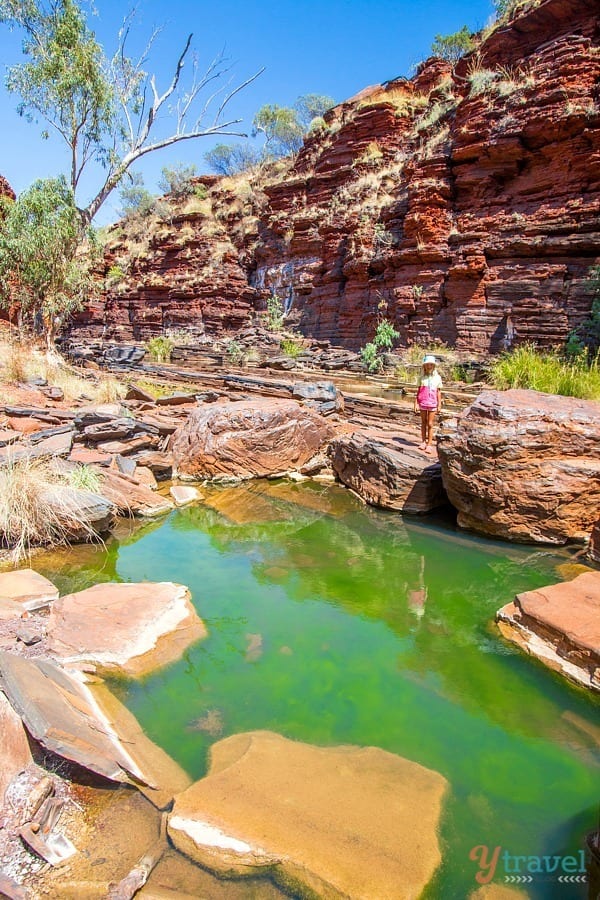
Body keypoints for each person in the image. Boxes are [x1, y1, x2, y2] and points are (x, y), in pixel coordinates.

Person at [414, 354, 442, 453]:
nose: (429, 366)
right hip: (423, 402)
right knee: (423, 422)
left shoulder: (437, 378)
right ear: (424, 366)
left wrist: (439, 404)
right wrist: (415, 404)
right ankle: (423, 442)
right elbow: (418, 391)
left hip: (432, 403)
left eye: (431, 365)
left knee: (430, 423)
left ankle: (429, 444)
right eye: (427, 365)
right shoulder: (421, 378)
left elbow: (438, 392)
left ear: (433, 366)